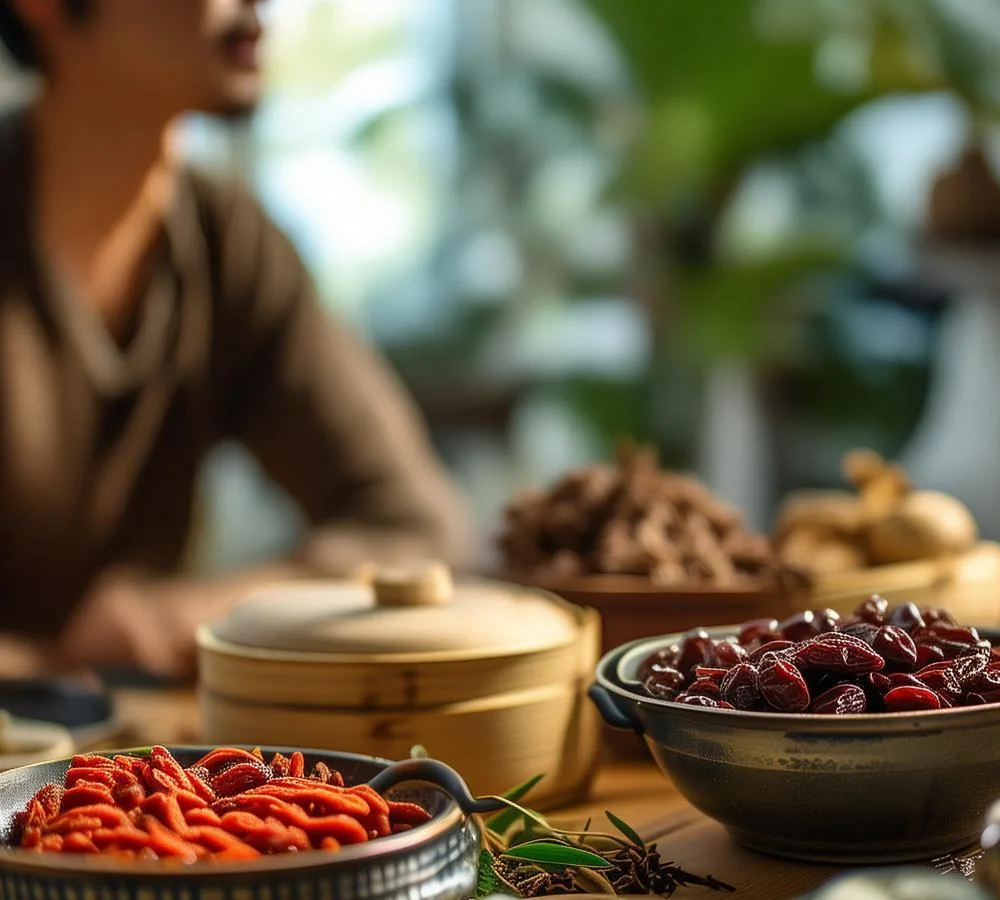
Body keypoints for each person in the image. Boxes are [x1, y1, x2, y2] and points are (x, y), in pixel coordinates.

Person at [0, 0, 472, 679]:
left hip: (131, 770)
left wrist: (198, 611)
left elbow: (420, 528)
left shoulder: (230, 247)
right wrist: (48, 663)